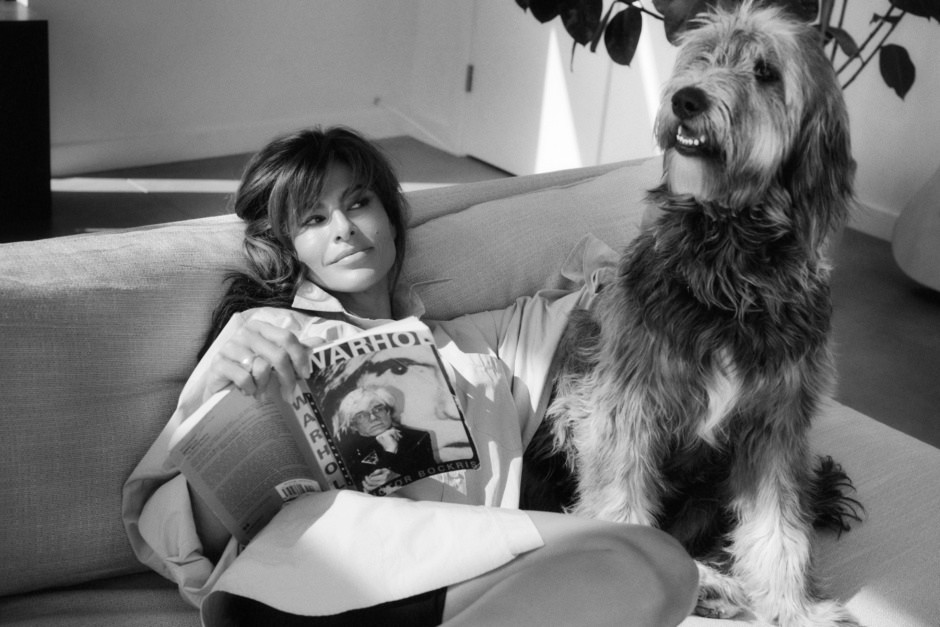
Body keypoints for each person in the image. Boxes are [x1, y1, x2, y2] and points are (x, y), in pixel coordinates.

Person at [122, 126, 698, 626]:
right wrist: (229, 384)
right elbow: (181, 531)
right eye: (315, 219)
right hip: (309, 573)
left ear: (392, 217)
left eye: (359, 202)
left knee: (659, 566)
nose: (344, 229)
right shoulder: (266, 332)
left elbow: (616, 292)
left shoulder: (478, 342)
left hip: (454, 575)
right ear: (290, 248)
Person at [334, 385, 438, 490]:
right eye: (361, 415)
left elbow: (432, 482)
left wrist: (398, 478)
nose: (374, 418)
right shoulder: (345, 453)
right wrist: (389, 452)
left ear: (388, 411)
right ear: (353, 425)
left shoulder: (417, 438)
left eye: (378, 409)